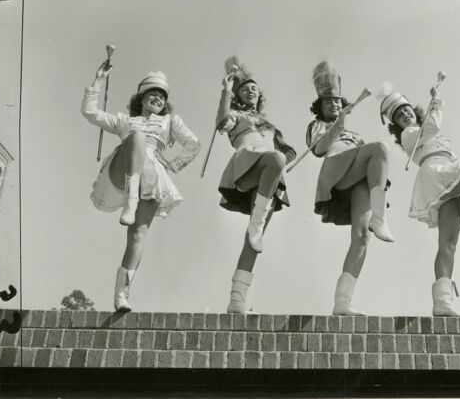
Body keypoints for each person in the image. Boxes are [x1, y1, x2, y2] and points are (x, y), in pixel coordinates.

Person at [81, 64, 200, 312]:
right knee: (136, 136)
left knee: (138, 236)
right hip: (121, 172)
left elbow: (193, 143)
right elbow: (90, 112)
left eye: (162, 96)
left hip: (152, 178)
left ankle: (121, 295)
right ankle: (131, 199)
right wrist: (98, 81)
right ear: (142, 97)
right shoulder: (125, 120)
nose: (157, 98)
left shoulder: (169, 121)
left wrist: (173, 164)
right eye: (152, 94)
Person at [379, 83, 460, 316]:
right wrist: (437, 100)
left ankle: (442, 302)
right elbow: (432, 127)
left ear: (414, 110)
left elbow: (433, 131)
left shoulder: (423, 130)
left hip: (447, 172)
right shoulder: (409, 134)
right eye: (399, 115)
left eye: (406, 109)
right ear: (397, 125)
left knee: (448, 243)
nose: (405, 114)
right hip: (435, 173)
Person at [306, 62, 393, 316]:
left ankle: (342, 302)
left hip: (357, 177)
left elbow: (373, 163)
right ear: (320, 107)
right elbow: (319, 149)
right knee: (380, 148)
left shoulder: (354, 134)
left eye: (337, 101)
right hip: (336, 170)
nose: (333, 105)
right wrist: (338, 125)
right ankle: (380, 215)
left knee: (362, 236)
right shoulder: (317, 125)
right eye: (328, 102)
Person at [215, 57, 296, 313]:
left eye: (255, 87)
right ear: (238, 94)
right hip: (247, 164)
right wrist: (225, 94)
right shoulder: (236, 114)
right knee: (276, 158)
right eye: (245, 88)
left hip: (269, 175)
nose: (251, 90)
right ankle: (257, 221)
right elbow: (221, 123)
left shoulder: (269, 124)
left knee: (253, 241)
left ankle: (236, 300)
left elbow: (287, 153)